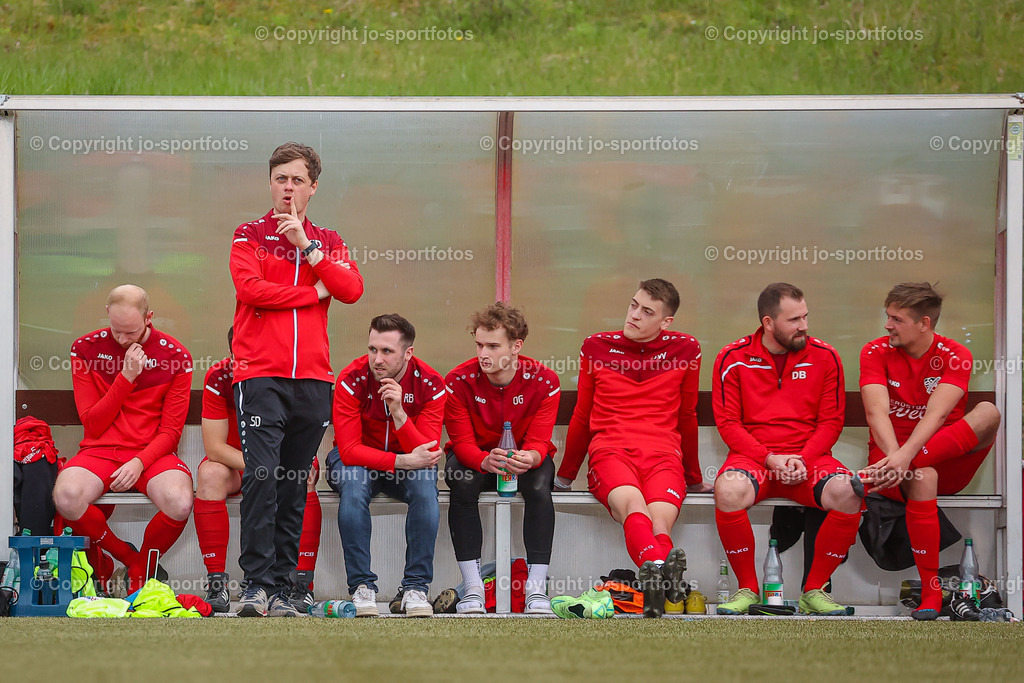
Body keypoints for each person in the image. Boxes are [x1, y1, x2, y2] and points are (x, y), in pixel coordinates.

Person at [230, 142, 364, 617]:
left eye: (297, 180)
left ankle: (285, 586)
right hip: (260, 375)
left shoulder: (326, 238)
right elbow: (250, 290)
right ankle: (255, 585)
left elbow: (351, 289)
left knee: (293, 481)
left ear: (313, 188)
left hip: (313, 380)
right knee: (262, 476)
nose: (288, 187)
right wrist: (311, 293)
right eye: (280, 178)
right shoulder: (248, 234)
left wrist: (307, 248)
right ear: (271, 183)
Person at [556, 278, 708, 618]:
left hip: (664, 454)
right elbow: (582, 413)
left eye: (647, 311)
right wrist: (565, 476)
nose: (635, 315)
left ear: (665, 322)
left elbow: (687, 414)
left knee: (660, 522)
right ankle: (664, 577)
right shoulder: (596, 346)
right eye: (633, 305)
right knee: (633, 507)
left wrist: (694, 476)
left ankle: (656, 578)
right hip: (611, 451)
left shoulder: (687, 349)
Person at [712, 283, 862, 616]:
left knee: (849, 492)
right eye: (794, 319)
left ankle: (814, 590)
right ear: (768, 323)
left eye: (805, 316)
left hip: (810, 459)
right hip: (755, 459)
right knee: (727, 489)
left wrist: (802, 458)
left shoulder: (826, 357)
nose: (804, 325)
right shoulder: (731, 358)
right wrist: (769, 458)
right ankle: (748, 589)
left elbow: (831, 422)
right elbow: (729, 425)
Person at [857, 282, 1000, 620]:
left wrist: (907, 456)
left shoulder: (955, 355)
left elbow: (937, 415)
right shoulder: (874, 351)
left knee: (989, 413)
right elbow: (876, 413)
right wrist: (897, 459)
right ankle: (931, 590)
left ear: (924, 323)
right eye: (888, 317)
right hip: (893, 462)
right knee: (923, 475)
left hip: (941, 456)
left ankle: (895, 468)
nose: (887, 325)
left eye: (897, 319)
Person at [52, 284, 194, 593]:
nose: (122, 339)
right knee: (66, 496)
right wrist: (127, 377)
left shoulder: (177, 357)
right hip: (99, 449)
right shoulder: (84, 349)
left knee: (180, 502)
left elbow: (171, 433)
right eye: (116, 330)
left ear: (148, 317)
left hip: (150, 453)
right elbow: (92, 422)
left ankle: (140, 571)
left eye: (130, 332)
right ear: (107, 314)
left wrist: (139, 462)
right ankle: (128, 557)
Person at [193, 327, 324, 614]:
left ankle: (300, 583)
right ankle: (217, 583)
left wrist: (277, 468)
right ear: (231, 355)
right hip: (238, 463)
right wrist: (263, 468)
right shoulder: (219, 376)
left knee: (305, 474)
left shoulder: (293, 374)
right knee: (209, 474)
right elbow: (215, 448)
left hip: (278, 463)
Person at [326, 314, 446, 618]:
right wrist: (402, 461)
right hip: (357, 461)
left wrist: (399, 412)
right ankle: (362, 587)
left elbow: (427, 451)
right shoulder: (351, 378)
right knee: (353, 486)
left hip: (404, 465)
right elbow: (351, 450)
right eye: (372, 349)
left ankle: (415, 588)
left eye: (387, 351)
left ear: (408, 353)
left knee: (424, 485)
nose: (376, 359)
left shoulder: (431, 383)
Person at [444, 302, 560, 614]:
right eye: (479, 344)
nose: (484, 354)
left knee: (538, 485)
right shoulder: (457, 381)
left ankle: (536, 590)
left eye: (493, 346)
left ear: (516, 346)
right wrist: (483, 460)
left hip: (524, 460)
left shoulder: (545, 380)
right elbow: (461, 441)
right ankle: (473, 589)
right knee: (461, 481)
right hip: (477, 459)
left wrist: (531, 456)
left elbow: (539, 440)